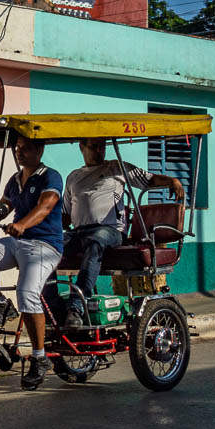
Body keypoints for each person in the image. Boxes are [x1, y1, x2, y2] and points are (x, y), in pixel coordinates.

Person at [0, 136, 63, 390]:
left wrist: (22, 224)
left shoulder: (50, 176)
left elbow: (46, 205)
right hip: (17, 244)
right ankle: (0, 303)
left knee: (27, 293)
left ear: (40, 150)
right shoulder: (14, 180)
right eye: (17, 149)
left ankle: (40, 358)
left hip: (44, 245)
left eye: (26, 148)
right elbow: (3, 208)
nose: (20, 153)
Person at [59, 137, 185, 328]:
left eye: (102, 146)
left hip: (109, 231)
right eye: (93, 146)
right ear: (81, 147)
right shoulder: (73, 177)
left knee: (95, 242)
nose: (99, 151)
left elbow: (149, 179)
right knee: (46, 246)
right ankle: (51, 303)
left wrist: (173, 181)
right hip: (79, 232)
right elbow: (65, 216)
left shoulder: (117, 168)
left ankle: (76, 306)